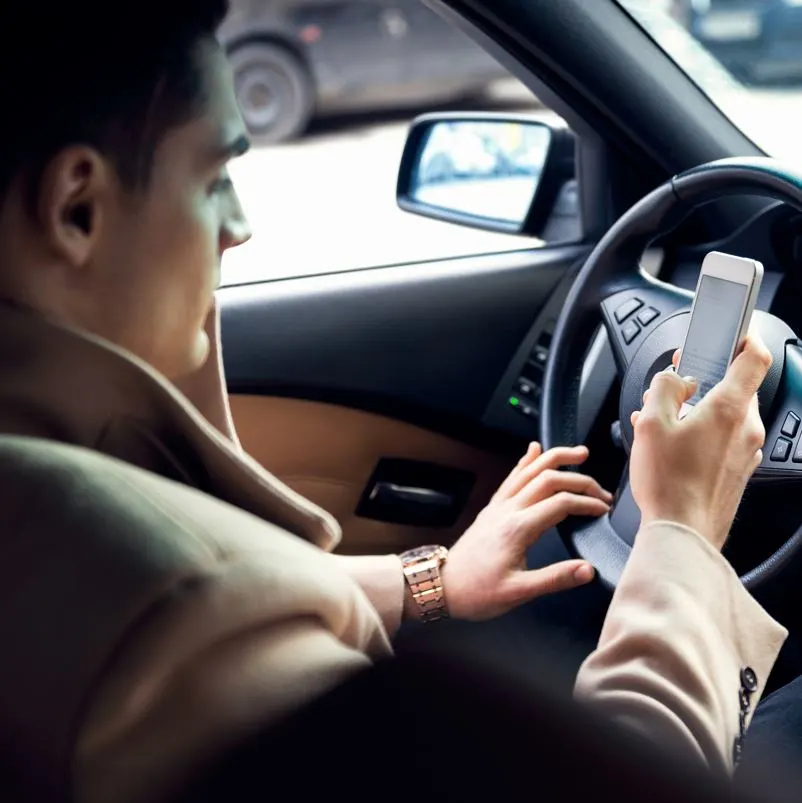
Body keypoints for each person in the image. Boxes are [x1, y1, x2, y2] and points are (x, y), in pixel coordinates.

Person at [0, 2, 787, 802]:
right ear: (76, 209)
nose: (239, 227)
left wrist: (435, 579)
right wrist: (682, 528)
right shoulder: (169, 621)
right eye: (212, 178)